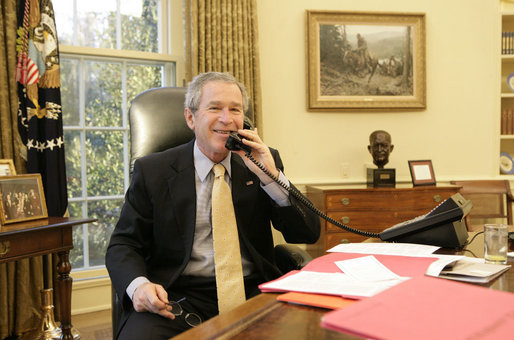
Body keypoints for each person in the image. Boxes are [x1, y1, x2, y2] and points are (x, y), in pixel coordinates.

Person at [106, 72, 321, 339]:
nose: (226, 119)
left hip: (253, 291)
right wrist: (139, 286)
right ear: (190, 117)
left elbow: (308, 233)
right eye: (214, 108)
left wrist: (272, 178)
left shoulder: (261, 162)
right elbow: (123, 244)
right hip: (178, 298)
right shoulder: (154, 171)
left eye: (235, 109)